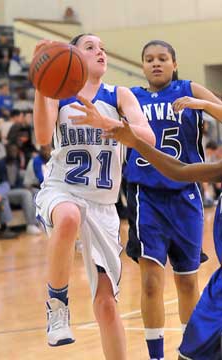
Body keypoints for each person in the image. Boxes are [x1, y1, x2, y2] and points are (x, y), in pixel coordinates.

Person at [33, 34, 155, 358]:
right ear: (71, 57)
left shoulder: (119, 96)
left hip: (104, 207)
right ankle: (57, 305)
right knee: (70, 215)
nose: (99, 51)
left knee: (106, 306)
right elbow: (43, 136)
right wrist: (39, 78)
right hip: (61, 190)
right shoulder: (57, 94)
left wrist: (111, 124)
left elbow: (148, 138)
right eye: (90, 47)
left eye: (102, 47)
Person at [118, 40, 222, 360]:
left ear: (175, 63)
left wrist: (200, 104)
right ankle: (156, 356)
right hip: (146, 195)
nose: (156, 64)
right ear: (142, 66)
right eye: (149, 59)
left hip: (185, 194)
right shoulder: (130, 97)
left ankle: (192, 352)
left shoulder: (187, 89)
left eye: (163, 58)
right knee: (150, 281)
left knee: (188, 284)